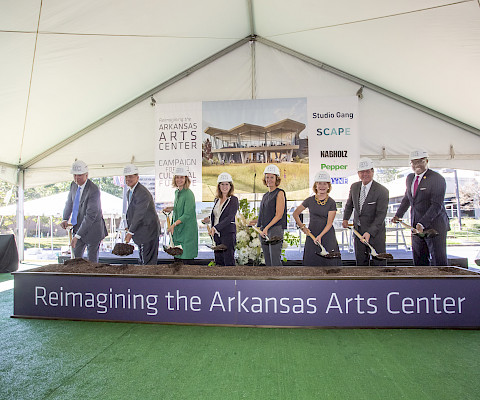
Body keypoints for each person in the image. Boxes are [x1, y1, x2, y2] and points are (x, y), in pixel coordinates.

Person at [392, 149, 450, 266]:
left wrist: (422, 223)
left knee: (438, 261)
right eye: (414, 162)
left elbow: (436, 205)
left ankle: (440, 284)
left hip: (435, 227)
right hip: (416, 227)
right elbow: (407, 198)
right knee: (419, 261)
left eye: (420, 161)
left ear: (427, 161)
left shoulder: (437, 178)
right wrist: (398, 215)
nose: (417, 165)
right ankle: (422, 284)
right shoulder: (410, 178)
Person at [342, 158, 389, 265]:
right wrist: (345, 218)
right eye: (362, 172)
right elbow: (349, 204)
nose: (365, 174)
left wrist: (369, 232)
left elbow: (380, 216)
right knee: (361, 263)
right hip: (358, 232)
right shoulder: (354, 187)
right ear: (358, 173)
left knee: (379, 263)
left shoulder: (382, 191)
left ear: (372, 171)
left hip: (376, 234)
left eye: (367, 171)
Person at [60, 160, 107, 262]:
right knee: (76, 259)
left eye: (79, 175)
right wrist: (65, 218)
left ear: (86, 175)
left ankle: (93, 278)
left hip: (93, 230)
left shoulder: (93, 190)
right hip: (78, 227)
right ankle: (76, 278)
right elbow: (69, 203)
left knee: (92, 262)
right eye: (75, 175)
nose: (77, 178)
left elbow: (90, 215)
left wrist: (77, 236)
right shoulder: (73, 185)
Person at [293, 171, 340, 266]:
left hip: (327, 235)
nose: (322, 186)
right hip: (312, 235)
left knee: (330, 265)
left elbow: (329, 223)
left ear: (328, 186)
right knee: (311, 262)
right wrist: (303, 228)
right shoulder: (309, 200)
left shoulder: (332, 203)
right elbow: (295, 214)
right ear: (316, 185)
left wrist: (320, 236)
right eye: (319, 183)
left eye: (324, 183)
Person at [123, 164, 161, 265]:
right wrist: (130, 227)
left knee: (148, 263)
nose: (128, 179)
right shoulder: (130, 192)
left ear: (137, 177)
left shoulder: (142, 193)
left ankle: (149, 280)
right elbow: (133, 212)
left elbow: (139, 214)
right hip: (141, 232)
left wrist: (130, 232)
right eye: (126, 176)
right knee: (143, 261)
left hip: (148, 232)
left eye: (131, 176)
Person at [249, 164, 287, 266]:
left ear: (276, 179)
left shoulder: (279, 193)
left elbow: (279, 215)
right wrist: (256, 221)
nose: (269, 179)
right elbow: (266, 215)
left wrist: (266, 228)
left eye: (271, 177)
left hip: (275, 230)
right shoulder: (265, 195)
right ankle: (271, 281)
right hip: (264, 230)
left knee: (275, 261)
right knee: (268, 261)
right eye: (267, 177)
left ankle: (279, 281)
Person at [202, 172, 239, 266]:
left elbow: (230, 217)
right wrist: (209, 219)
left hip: (228, 235)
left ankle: (230, 281)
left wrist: (216, 227)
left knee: (228, 261)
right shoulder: (216, 200)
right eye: (222, 184)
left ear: (231, 186)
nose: (224, 186)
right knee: (218, 262)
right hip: (217, 235)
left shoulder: (234, 200)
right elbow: (219, 214)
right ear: (219, 186)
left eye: (227, 184)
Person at [164, 166, 198, 262]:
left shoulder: (189, 194)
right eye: (177, 177)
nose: (179, 180)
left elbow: (187, 214)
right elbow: (181, 208)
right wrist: (172, 208)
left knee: (185, 259)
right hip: (179, 230)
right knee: (177, 257)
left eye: (182, 177)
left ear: (186, 179)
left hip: (187, 231)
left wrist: (173, 224)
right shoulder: (177, 192)